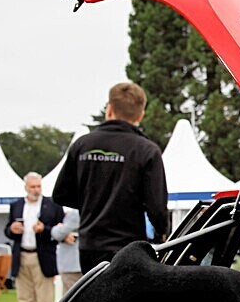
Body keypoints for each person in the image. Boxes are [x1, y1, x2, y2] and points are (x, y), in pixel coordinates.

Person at [53, 81, 169, 273]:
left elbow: (61, 195)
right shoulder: (146, 150)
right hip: (129, 247)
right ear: (141, 115)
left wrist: (92, 202)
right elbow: (157, 208)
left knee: (95, 292)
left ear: (109, 110)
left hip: (90, 246)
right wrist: (162, 233)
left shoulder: (82, 145)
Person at [5, 172, 64, 302]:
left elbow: (61, 231)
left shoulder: (52, 205)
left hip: (43, 257)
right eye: (33, 187)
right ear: (26, 187)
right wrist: (12, 229)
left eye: (38, 186)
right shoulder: (16, 206)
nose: (36, 190)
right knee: (25, 300)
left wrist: (44, 229)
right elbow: (7, 231)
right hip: (22, 256)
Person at [51, 208, 83, 293]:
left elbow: (58, 234)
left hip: (72, 266)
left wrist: (56, 228)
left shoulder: (75, 213)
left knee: (72, 296)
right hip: (75, 265)